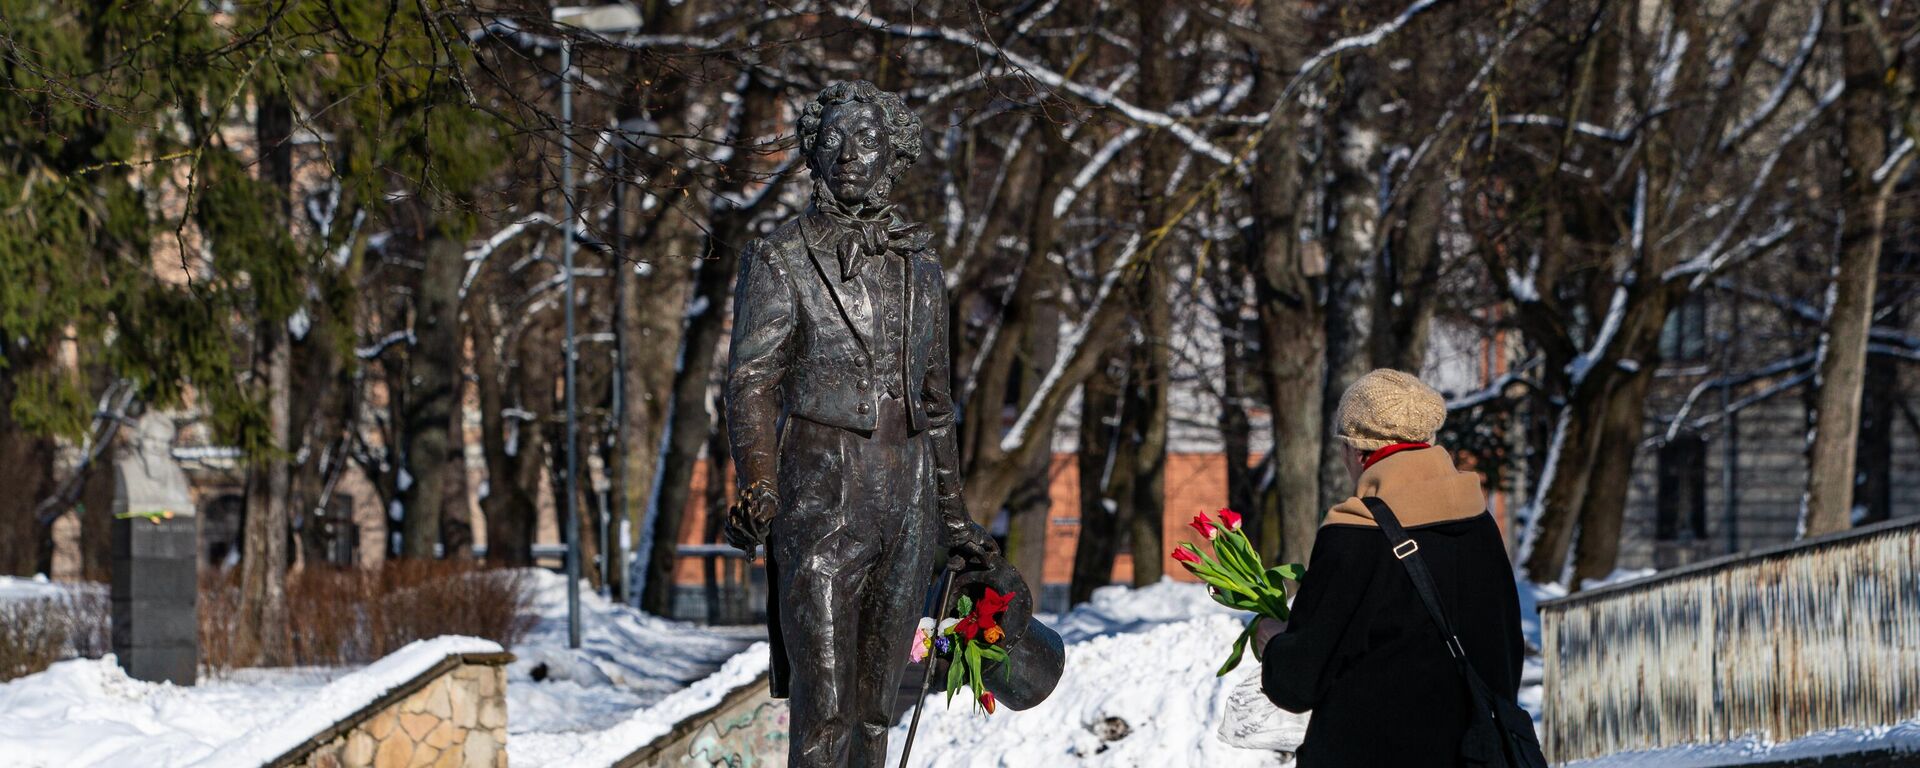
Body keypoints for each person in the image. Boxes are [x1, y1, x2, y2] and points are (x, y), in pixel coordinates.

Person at [722, 81, 998, 768]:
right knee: (825, 705)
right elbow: (752, 381)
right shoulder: (780, 258)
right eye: (834, 139)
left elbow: (935, 405)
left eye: (866, 139)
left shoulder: (920, 265)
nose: (850, 153)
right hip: (821, 493)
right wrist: (759, 483)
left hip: (905, 500)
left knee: (878, 707)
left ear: (893, 155)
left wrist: (954, 520)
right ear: (814, 154)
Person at [1256, 368, 1525, 766]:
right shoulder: (1478, 521)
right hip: (1475, 755)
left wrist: (1275, 642)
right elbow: (1505, 650)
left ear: (1359, 451)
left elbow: (1297, 685)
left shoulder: (1354, 534)